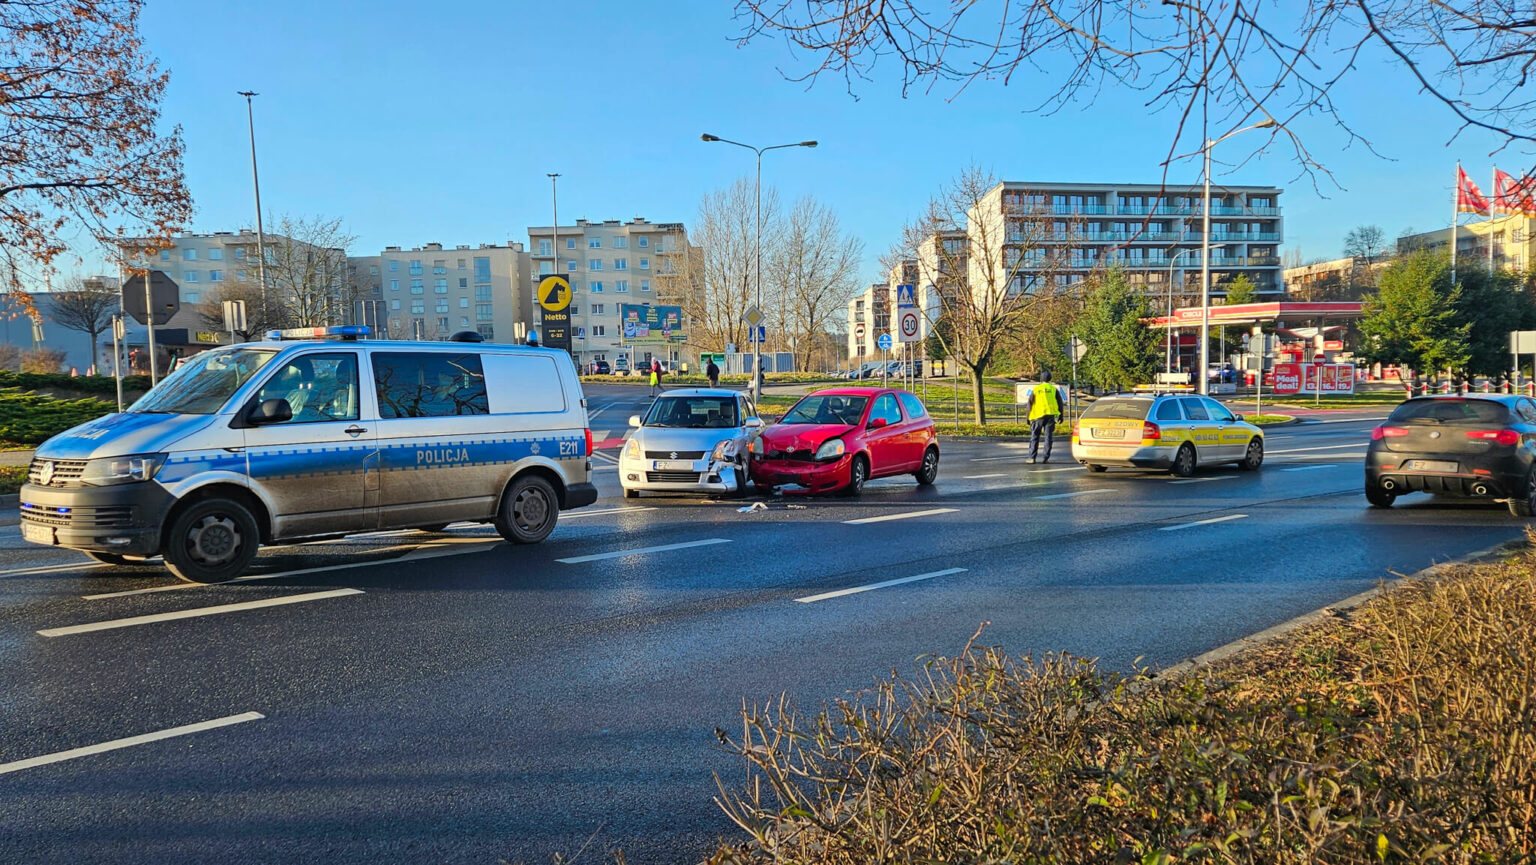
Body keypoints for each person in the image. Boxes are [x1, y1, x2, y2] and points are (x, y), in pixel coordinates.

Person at [1022, 369, 1066, 464]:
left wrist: (1027, 417)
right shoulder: (1054, 389)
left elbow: (1029, 404)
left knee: (1034, 437)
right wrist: (1061, 416)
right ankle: (1045, 457)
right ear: (1050, 379)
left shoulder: (1036, 389)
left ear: (1041, 379)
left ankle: (1032, 457)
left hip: (1037, 417)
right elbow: (1060, 403)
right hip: (1050, 417)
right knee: (1048, 437)